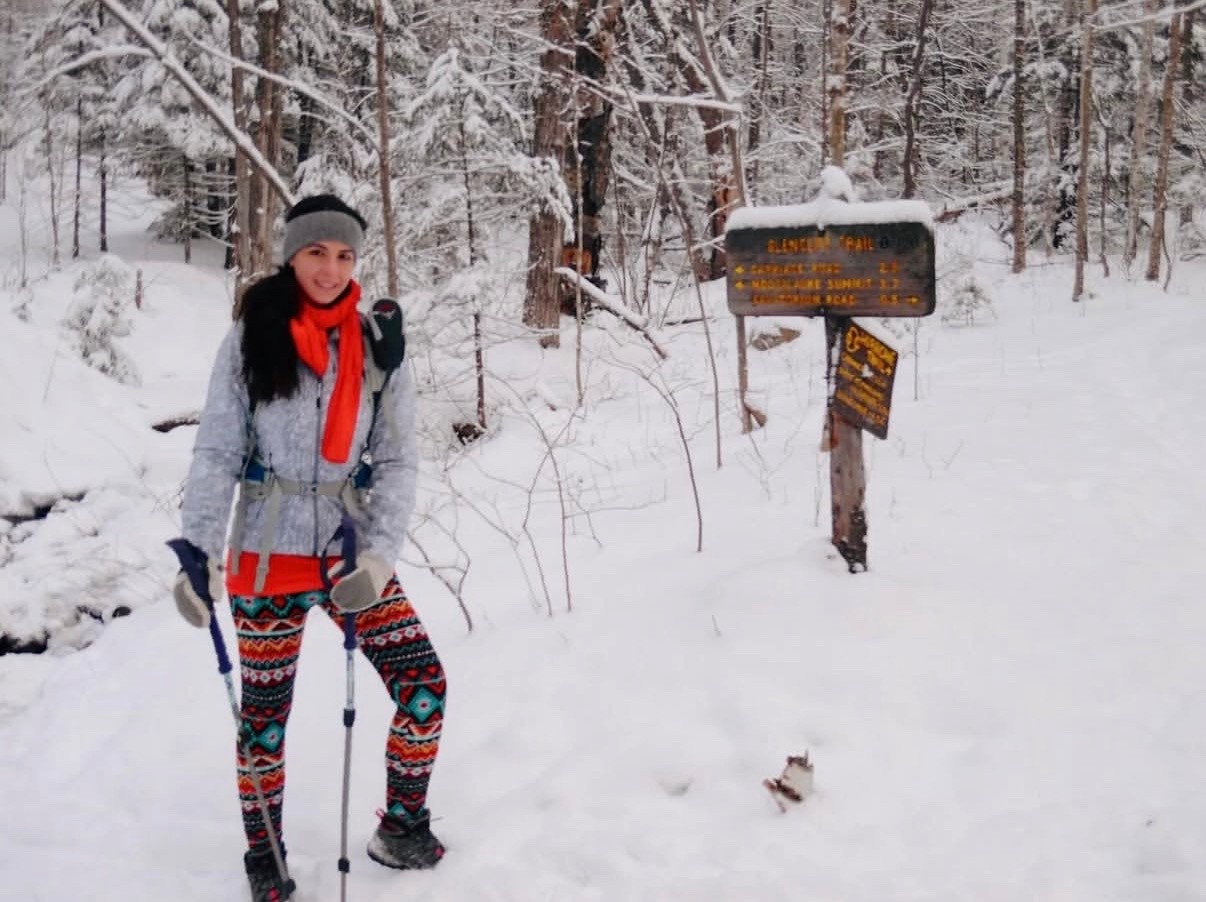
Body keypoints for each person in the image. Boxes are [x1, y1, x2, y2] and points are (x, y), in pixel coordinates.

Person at [169, 195, 446, 901]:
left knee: (423, 686)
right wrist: (197, 554)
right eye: (317, 253)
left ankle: (402, 826)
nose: (330, 268)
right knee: (263, 722)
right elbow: (216, 451)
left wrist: (380, 558)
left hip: (349, 556)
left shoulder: (380, 347)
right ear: (292, 254)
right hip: (267, 561)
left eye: (345, 255)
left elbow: (399, 460)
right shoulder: (250, 337)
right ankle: (266, 855)